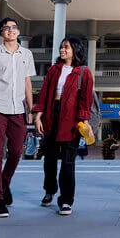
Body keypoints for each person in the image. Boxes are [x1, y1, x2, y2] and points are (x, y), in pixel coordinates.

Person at [0, 17, 36, 218]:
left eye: (13, 27)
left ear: (18, 31)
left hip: (18, 110)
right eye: (6, 28)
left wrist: (31, 109)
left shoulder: (26, 54)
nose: (10, 31)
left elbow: (27, 82)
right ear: (1, 33)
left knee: (16, 152)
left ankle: (4, 183)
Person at [33, 36, 94, 216]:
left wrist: (85, 122)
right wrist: (38, 117)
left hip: (72, 118)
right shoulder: (53, 70)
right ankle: (50, 190)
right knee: (50, 159)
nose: (62, 50)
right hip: (52, 116)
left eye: (66, 47)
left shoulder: (84, 72)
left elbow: (85, 101)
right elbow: (43, 94)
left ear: (75, 50)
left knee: (68, 162)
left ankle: (66, 200)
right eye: (61, 47)